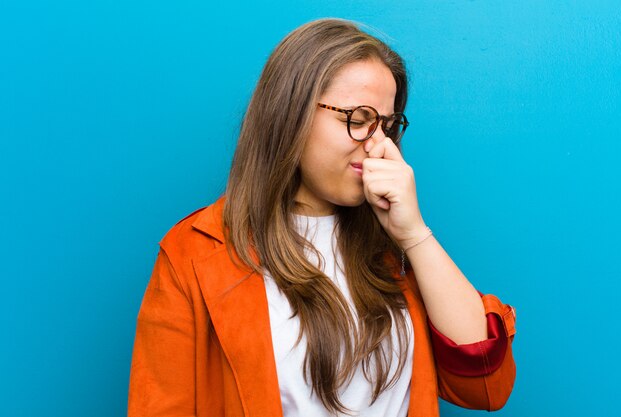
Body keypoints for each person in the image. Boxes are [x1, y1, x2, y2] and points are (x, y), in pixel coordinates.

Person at [128, 18, 516, 417]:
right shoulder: (193, 252)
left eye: (387, 125)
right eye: (359, 118)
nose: (377, 144)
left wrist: (414, 234)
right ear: (290, 115)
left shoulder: (392, 249)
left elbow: (486, 382)